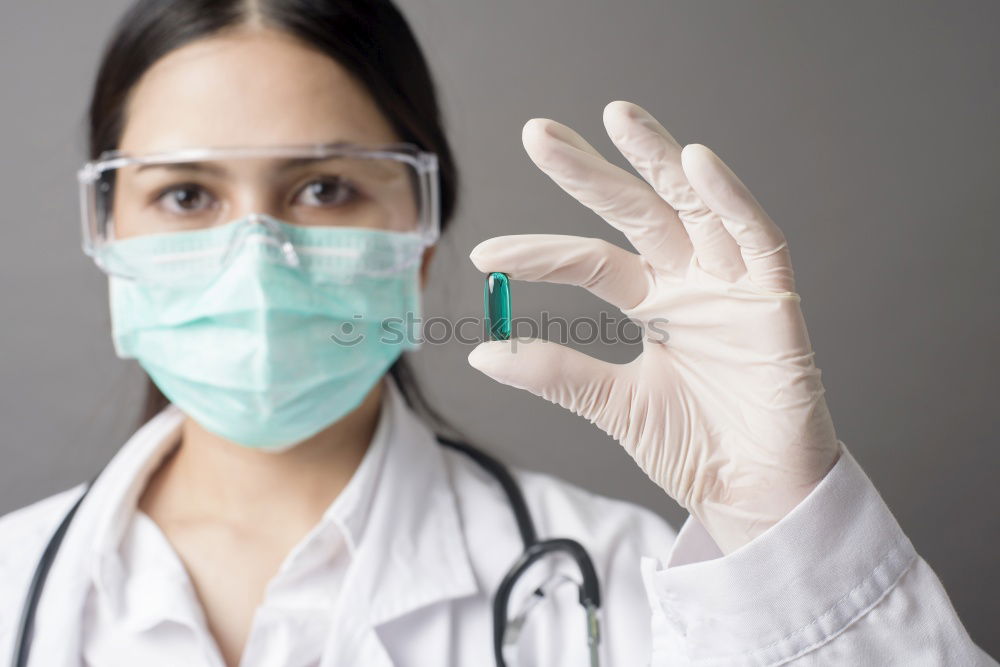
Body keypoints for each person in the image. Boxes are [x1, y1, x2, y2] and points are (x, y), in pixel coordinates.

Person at [0, 1, 992, 665]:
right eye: (184, 193)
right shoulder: (12, 586)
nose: (257, 255)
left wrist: (785, 532)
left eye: (326, 187)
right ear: (105, 233)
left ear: (422, 237)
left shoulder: (630, 589)